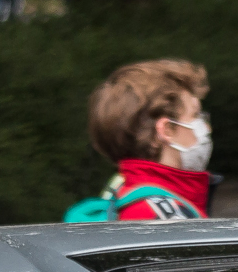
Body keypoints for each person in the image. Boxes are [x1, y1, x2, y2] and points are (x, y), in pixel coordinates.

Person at [83, 59, 216, 220]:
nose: (206, 128)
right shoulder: (161, 218)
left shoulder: (120, 190)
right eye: (195, 115)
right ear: (167, 130)